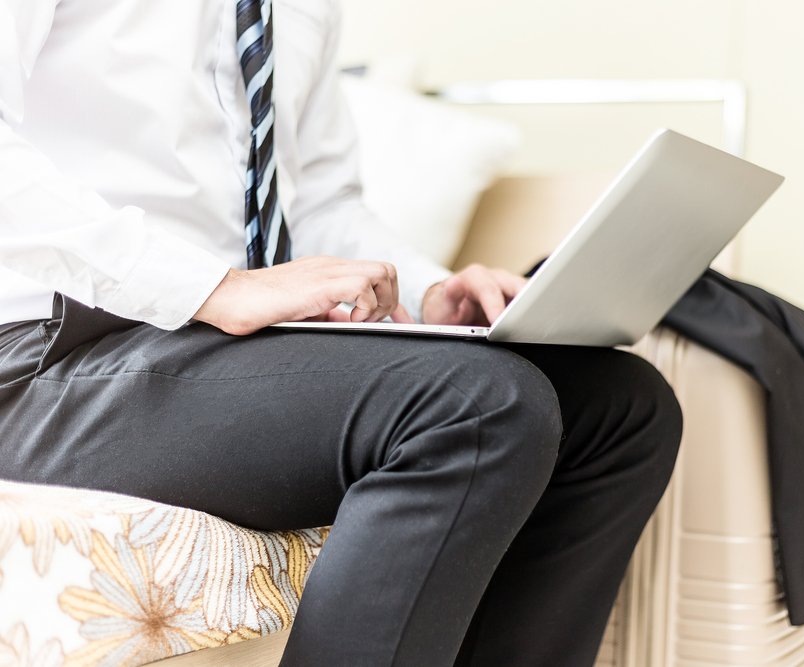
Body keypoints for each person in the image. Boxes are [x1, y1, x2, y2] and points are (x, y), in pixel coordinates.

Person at [0, 0, 683, 665]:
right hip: (47, 351)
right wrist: (215, 287)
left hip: (206, 351)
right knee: (478, 409)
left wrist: (428, 291)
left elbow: (321, 197)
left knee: (621, 406)